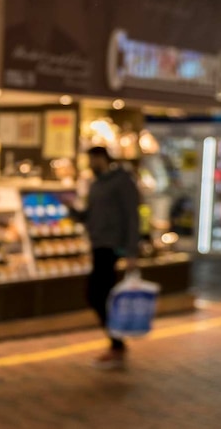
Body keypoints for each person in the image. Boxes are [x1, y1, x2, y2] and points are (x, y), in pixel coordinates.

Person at [69, 146, 140, 369]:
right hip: (98, 244)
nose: (90, 164)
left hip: (112, 246)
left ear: (103, 158)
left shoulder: (122, 181)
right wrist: (72, 210)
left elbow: (132, 216)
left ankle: (117, 345)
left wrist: (131, 252)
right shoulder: (96, 183)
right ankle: (116, 345)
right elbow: (90, 215)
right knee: (99, 295)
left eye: (93, 159)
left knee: (97, 294)